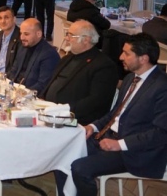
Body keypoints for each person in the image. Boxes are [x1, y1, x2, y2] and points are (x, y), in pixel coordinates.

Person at [71, 33, 167, 196]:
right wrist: (93, 126)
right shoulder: (130, 79)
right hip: (108, 137)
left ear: (143, 58)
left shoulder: (162, 87)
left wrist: (120, 144)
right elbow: (115, 114)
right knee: (65, 153)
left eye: (127, 53)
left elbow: (161, 133)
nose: (121, 57)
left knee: (80, 168)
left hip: (136, 152)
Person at [42, 20, 117, 125]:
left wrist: (64, 110)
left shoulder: (103, 65)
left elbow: (96, 101)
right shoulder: (67, 58)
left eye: (71, 35)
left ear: (86, 40)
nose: (66, 38)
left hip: (75, 120)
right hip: (49, 112)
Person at [7, 18, 60, 93]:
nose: (22, 37)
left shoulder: (49, 54)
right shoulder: (22, 47)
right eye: (21, 33)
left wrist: (21, 93)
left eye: (26, 34)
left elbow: (43, 85)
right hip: (14, 90)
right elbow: (13, 70)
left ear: (39, 34)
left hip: (29, 95)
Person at [0, 6, 21, 72]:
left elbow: (17, 66)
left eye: (6, 17)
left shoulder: (20, 37)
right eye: (0, 18)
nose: (3, 21)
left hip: (7, 75)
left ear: (14, 19)